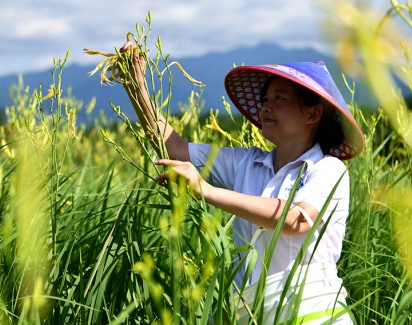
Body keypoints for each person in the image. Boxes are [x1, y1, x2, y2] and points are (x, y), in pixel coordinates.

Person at [120, 41, 364, 324]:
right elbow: (175, 148)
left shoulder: (328, 170)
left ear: (312, 114)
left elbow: (296, 220)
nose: (265, 107)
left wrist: (207, 191)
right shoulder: (245, 163)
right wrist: (134, 85)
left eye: (279, 98)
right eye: (265, 99)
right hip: (255, 313)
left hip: (315, 314)